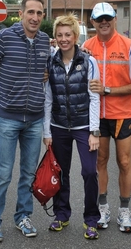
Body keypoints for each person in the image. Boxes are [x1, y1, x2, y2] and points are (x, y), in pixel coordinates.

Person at [0, 0, 50, 242]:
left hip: (35, 120)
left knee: (28, 174)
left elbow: (46, 71)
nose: (35, 17)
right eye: (31, 12)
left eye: (39, 13)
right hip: (8, 118)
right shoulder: (5, 37)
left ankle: (23, 216)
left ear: (43, 16)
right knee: (3, 173)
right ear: (21, 14)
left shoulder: (45, 40)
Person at [82, 2, 131, 233]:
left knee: (125, 162)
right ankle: (103, 208)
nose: (104, 22)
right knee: (100, 161)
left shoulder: (130, 46)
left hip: (123, 114)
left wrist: (107, 90)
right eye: (99, 19)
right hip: (96, 115)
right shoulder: (86, 47)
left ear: (115, 19)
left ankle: (125, 211)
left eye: (108, 17)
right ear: (92, 22)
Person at [43, 13, 101, 240]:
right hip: (58, 127)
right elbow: (48, 98)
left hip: (83, 126)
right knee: (61, 173)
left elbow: (95, 98)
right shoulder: (51, 60)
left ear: (76, 36)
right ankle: (61, 214)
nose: (63, 39)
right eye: (59, 35)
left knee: (89, 172)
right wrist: (47, 132)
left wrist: (94, 131)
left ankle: (91, 220)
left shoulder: (89, 61)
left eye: (68, 34)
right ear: (55, 37)